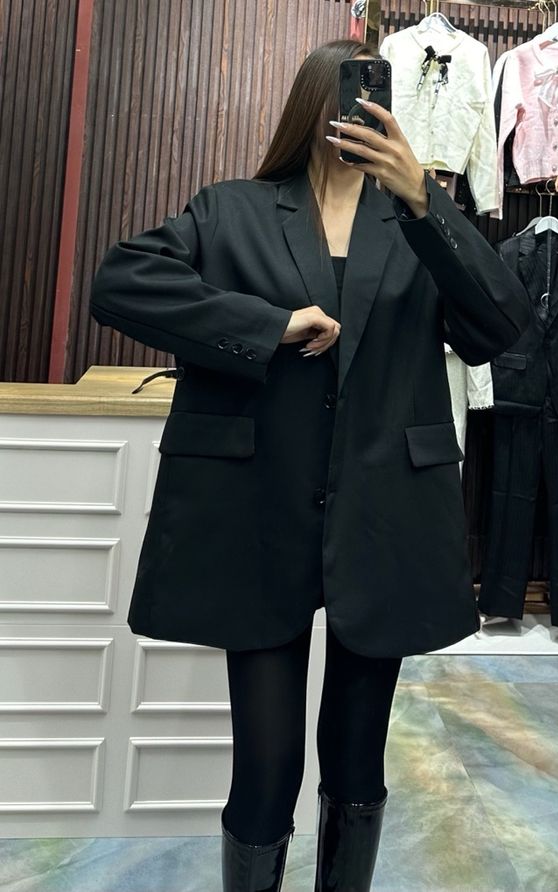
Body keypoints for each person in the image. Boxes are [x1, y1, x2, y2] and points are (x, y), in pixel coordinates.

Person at [90, 38, 529, 892]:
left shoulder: (417, 228)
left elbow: (501, 326)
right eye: (348, 97)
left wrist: (424, 196)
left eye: (376, 98)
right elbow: (120, 282)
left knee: (358, 762)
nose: (362, 112)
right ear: (314, 108)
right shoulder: (234, 210)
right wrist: (270, 326)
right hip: (258, 513)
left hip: (385, 512)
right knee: (266, 769)